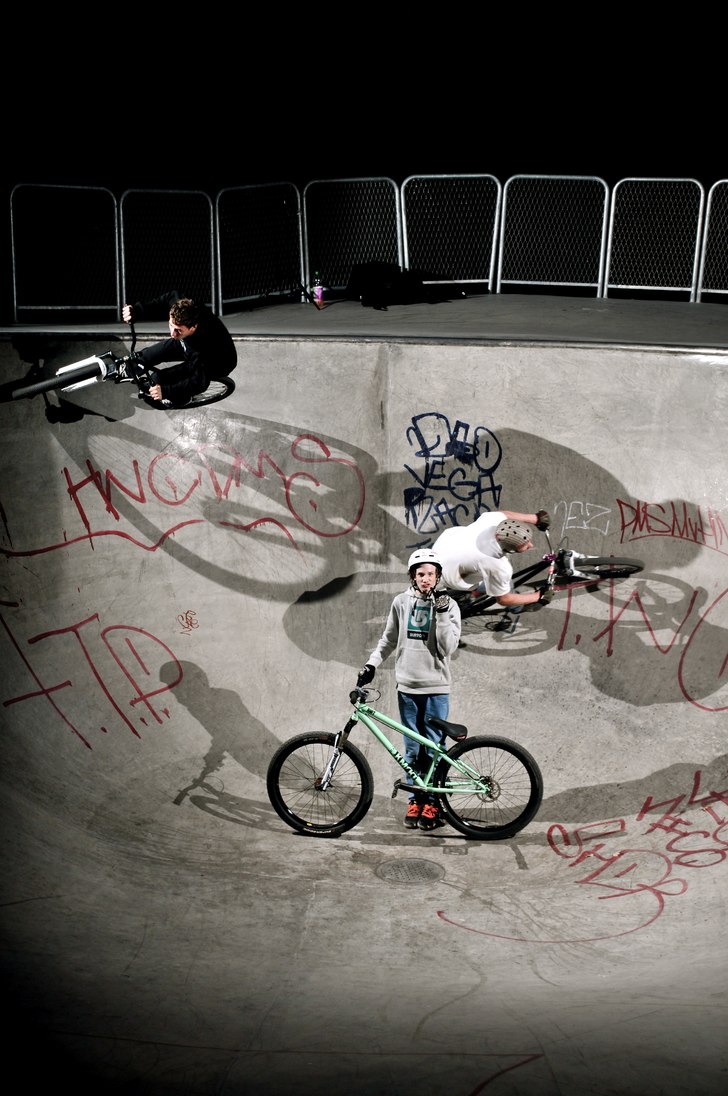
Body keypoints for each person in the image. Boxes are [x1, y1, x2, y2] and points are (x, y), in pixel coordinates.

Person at [356, 548, 461, 832]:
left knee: (435, 747)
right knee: (412, 750)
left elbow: (447, 648)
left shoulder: (449, 606)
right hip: (407, 688)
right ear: (413, 577)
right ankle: (416, 799)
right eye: (421, 574)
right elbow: (388, 639)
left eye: (431, 574)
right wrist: (371, 664)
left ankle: (434, 803)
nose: (426, 578)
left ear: (438, 576)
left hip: (436, 687)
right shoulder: (401, 602)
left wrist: (439, 613)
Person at [121, 290, 237, 408]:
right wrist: (137, 311)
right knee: (144, 357)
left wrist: (166, 391)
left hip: (218, 361)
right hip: (187, 341)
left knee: (157, 382)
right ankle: (126, 370)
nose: (172, 333)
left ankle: (182, 399)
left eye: (178, 330)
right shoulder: (180, 305)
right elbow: (168, 297)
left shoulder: (202, 348)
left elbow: (198, 383)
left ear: (193, 327)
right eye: (171, 325)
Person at [433, 509, 554, 613]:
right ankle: (517, 608)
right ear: (510, 549)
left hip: (440, 550)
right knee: (507, 586)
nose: (531, 545)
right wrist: (539, 596)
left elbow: (504, 514)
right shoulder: (498, 566)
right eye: (525, 545)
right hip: (445, 577)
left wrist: (536, 518)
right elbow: (504, 599)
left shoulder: (491, 521)